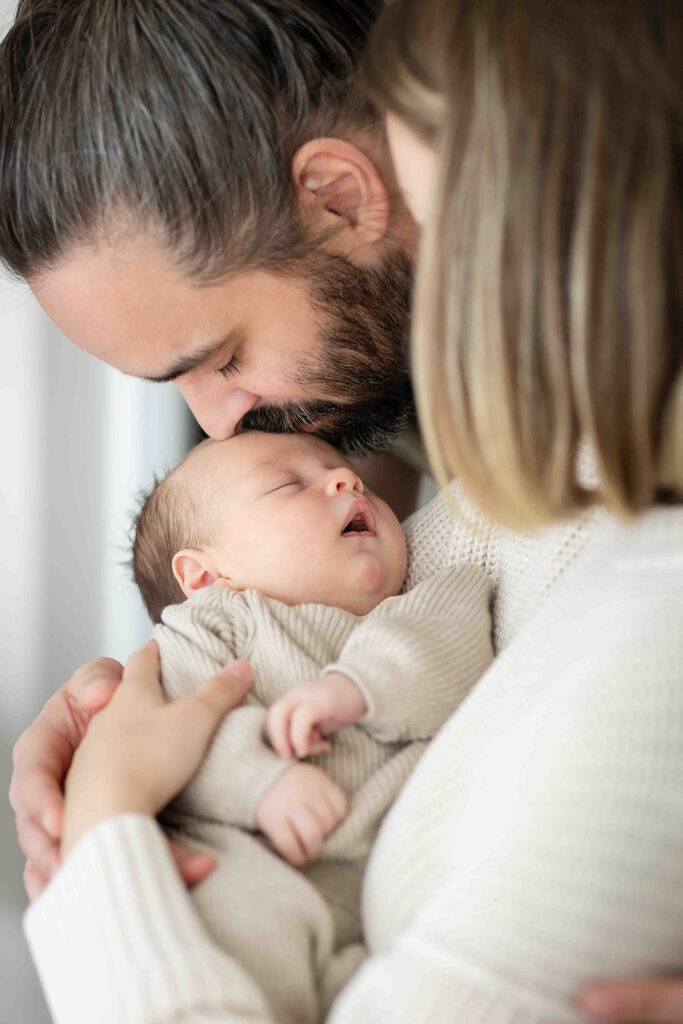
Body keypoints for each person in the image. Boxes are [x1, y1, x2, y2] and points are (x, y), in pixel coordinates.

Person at [8, 0, 683, 1021]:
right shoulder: (523, 482)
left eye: (221, 357)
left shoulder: (633, 598)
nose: (222, 423)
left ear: (346, 192)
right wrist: (160, 691)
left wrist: (107, 835)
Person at [124, 428, 491, 1023]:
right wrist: (260, 782)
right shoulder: (209, 632)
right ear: (204, 577)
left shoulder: (428, 597)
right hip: (251, 870)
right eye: (288, 484)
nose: (346, 480)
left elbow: (451, 648)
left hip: (395, 878)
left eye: (350, 475)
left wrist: (354, 688)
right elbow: (175, 739)